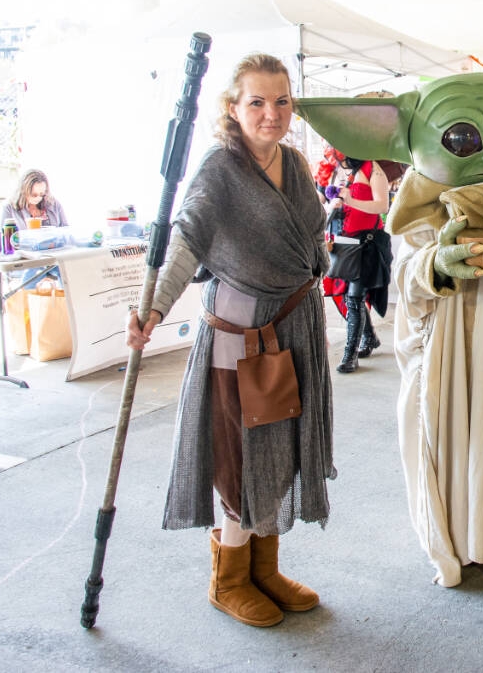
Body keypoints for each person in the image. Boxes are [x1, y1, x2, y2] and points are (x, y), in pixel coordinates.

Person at [124, 53, 333, 628]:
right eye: (257, 102)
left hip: (294, 332)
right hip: (240, 341)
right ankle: (229, 580)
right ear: (233, 108)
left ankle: (264, 570)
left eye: (282, 101)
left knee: (282, 451)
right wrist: (154, 307)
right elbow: (187, 241)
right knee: (241, 460)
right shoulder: (219, 169)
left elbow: (314, 234)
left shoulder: (293, 163)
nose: (271, 114)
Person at [330, 155, 392, 373]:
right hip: (345, 243)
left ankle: (350, 355)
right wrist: (336, 203)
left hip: (367, 244)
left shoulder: (372, 169)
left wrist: (349, 200)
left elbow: (382, 206)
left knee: (355, 298)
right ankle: (370, 337)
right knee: (348, 297)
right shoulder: (346, 171)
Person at [0, 169, 69, 229]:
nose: (38, 198)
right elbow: (2, 237)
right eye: (33, 195)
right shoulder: (8, 207)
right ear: (23, 190)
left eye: (42, 194)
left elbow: (65, 230)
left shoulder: (53, 203)